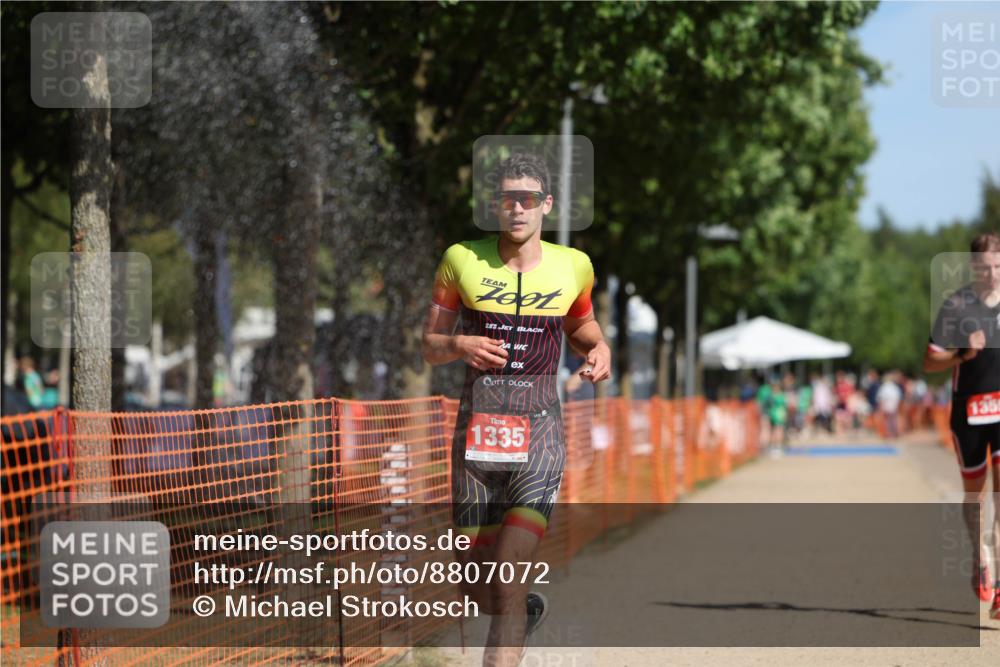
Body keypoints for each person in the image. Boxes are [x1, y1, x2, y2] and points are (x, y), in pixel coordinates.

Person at [421, 153, 611, 664]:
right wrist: (460, 345)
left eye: (528, 199)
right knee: (473, 582)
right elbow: (429, 343)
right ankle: (520, 613)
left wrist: (600, 348)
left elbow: (581, 327)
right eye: (508, 199)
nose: (518, 209)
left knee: (507, 572)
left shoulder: (574, 266)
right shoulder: (461, 258)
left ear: (546, 204)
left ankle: (511, 618)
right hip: (476, 436)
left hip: (541, 437)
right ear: (495, 205)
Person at [924, 232, 1000, 618]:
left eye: (998, 267)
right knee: (975, 496)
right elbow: (929, 361)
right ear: (973, 267)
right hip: (968, 412)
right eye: (985, 268)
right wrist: (961, 352)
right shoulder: (955, 306)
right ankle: (981, 558)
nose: (992, 274)